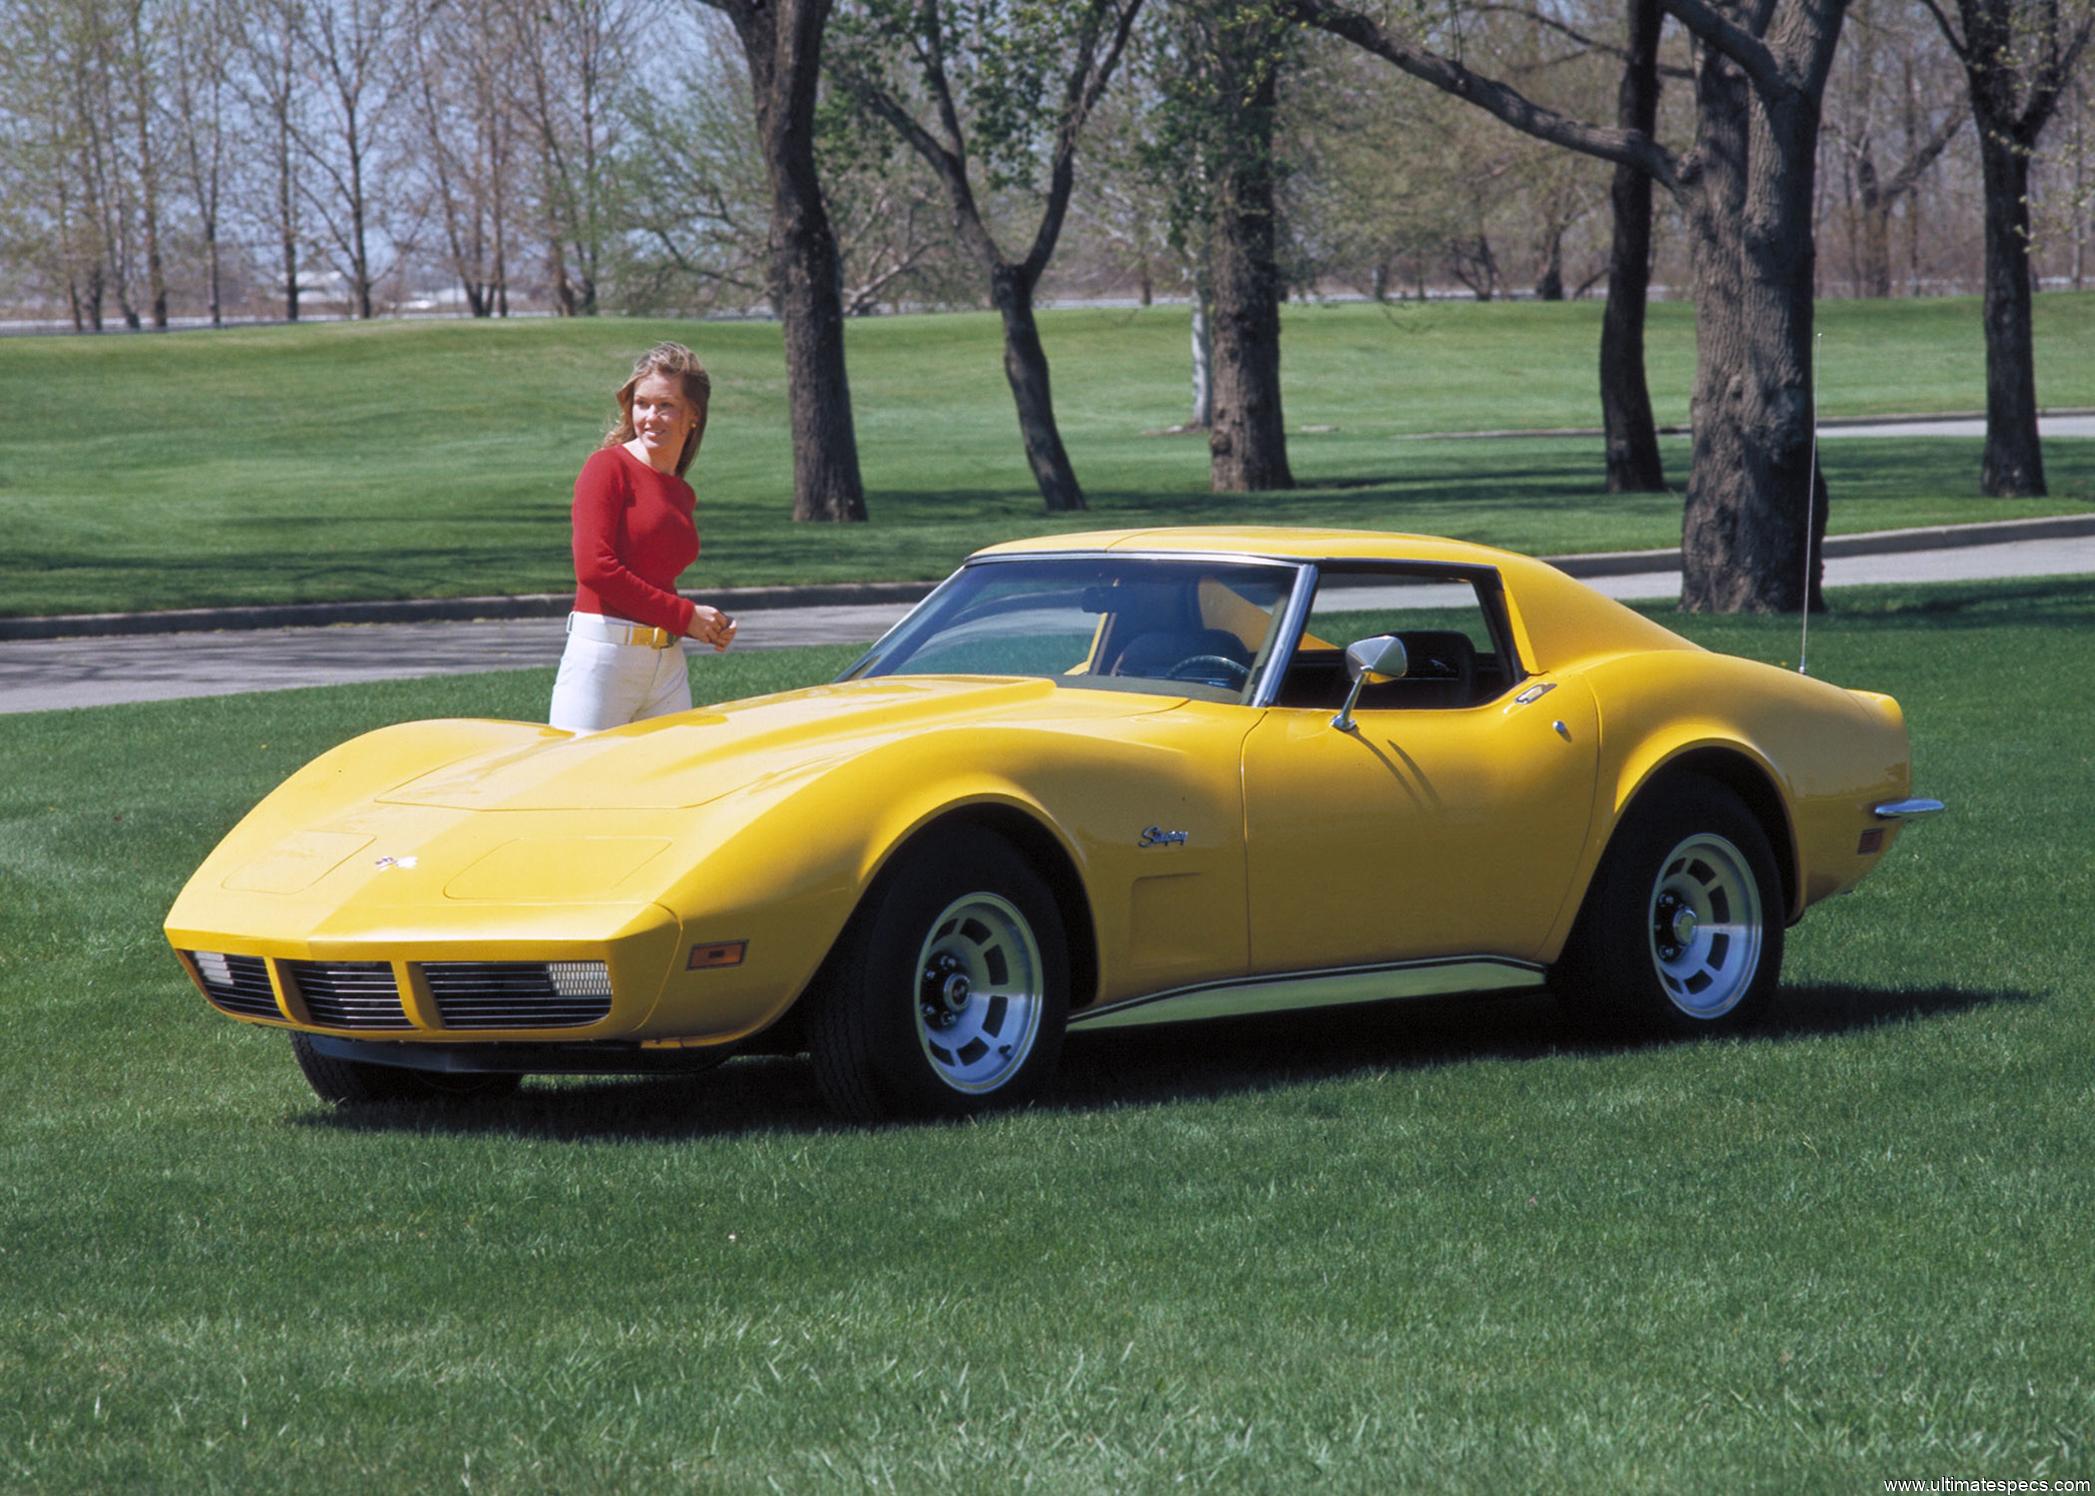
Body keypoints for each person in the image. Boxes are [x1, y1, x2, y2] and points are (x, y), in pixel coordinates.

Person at [549, 342, 736, 733]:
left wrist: (705, 623)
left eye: (666, 405)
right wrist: (686, 616)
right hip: (603, 660)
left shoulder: (681, 492)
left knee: (671, 788)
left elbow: (655, 578)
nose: (651, 417)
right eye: (642, 404)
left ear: (693, 416)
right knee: (577, 787)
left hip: (667, 662)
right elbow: (595, 570)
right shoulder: (606, 468)